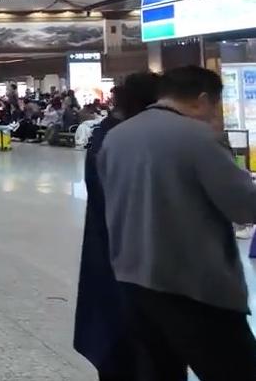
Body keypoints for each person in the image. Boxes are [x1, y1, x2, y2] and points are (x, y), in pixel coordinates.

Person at [99, 66, 256, 380]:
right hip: (193, 286)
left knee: (160, 370)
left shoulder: (117, 136)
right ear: (202, 99)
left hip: (134, 280)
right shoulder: (198, 137)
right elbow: (245, 208)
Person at [74, 72, 160, 381]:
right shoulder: (121, 137)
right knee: (131, 340)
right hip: (126, 255)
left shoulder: (109, 133)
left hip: (112, 249)